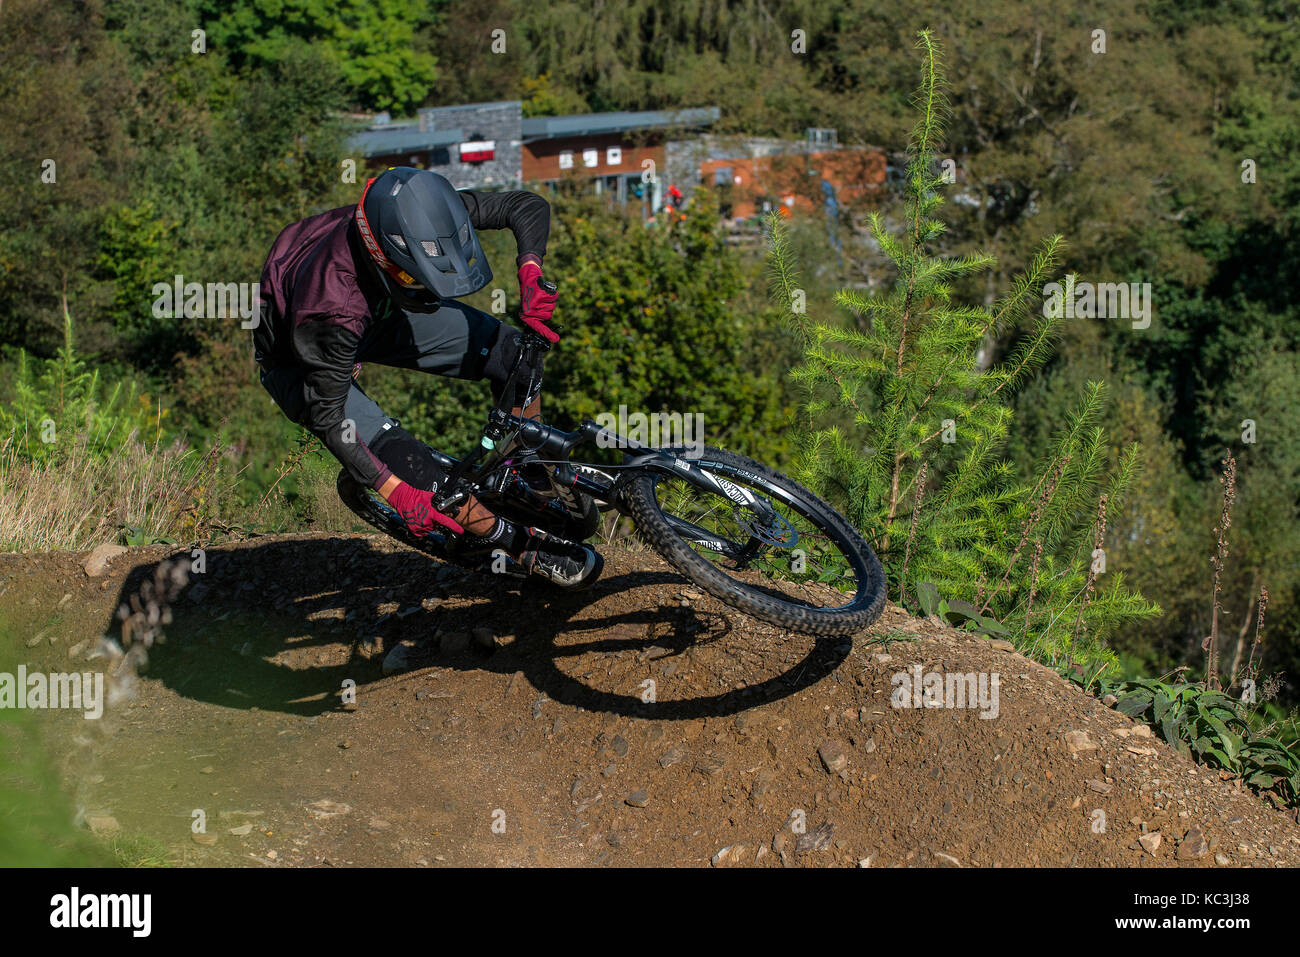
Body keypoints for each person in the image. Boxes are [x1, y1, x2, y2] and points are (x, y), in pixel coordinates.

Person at [254, 166, 601, 589]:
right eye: (416, 278)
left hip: (377, 308)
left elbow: (523, 205)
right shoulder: (331, 307)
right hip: (303, 359)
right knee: (420, 477)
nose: (430, 290)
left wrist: (531, 270)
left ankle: (523, 465)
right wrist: (394, 491)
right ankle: (523, 547)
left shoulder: (410, 215)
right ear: (386, 257)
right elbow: (328, 418)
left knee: (514, 353)